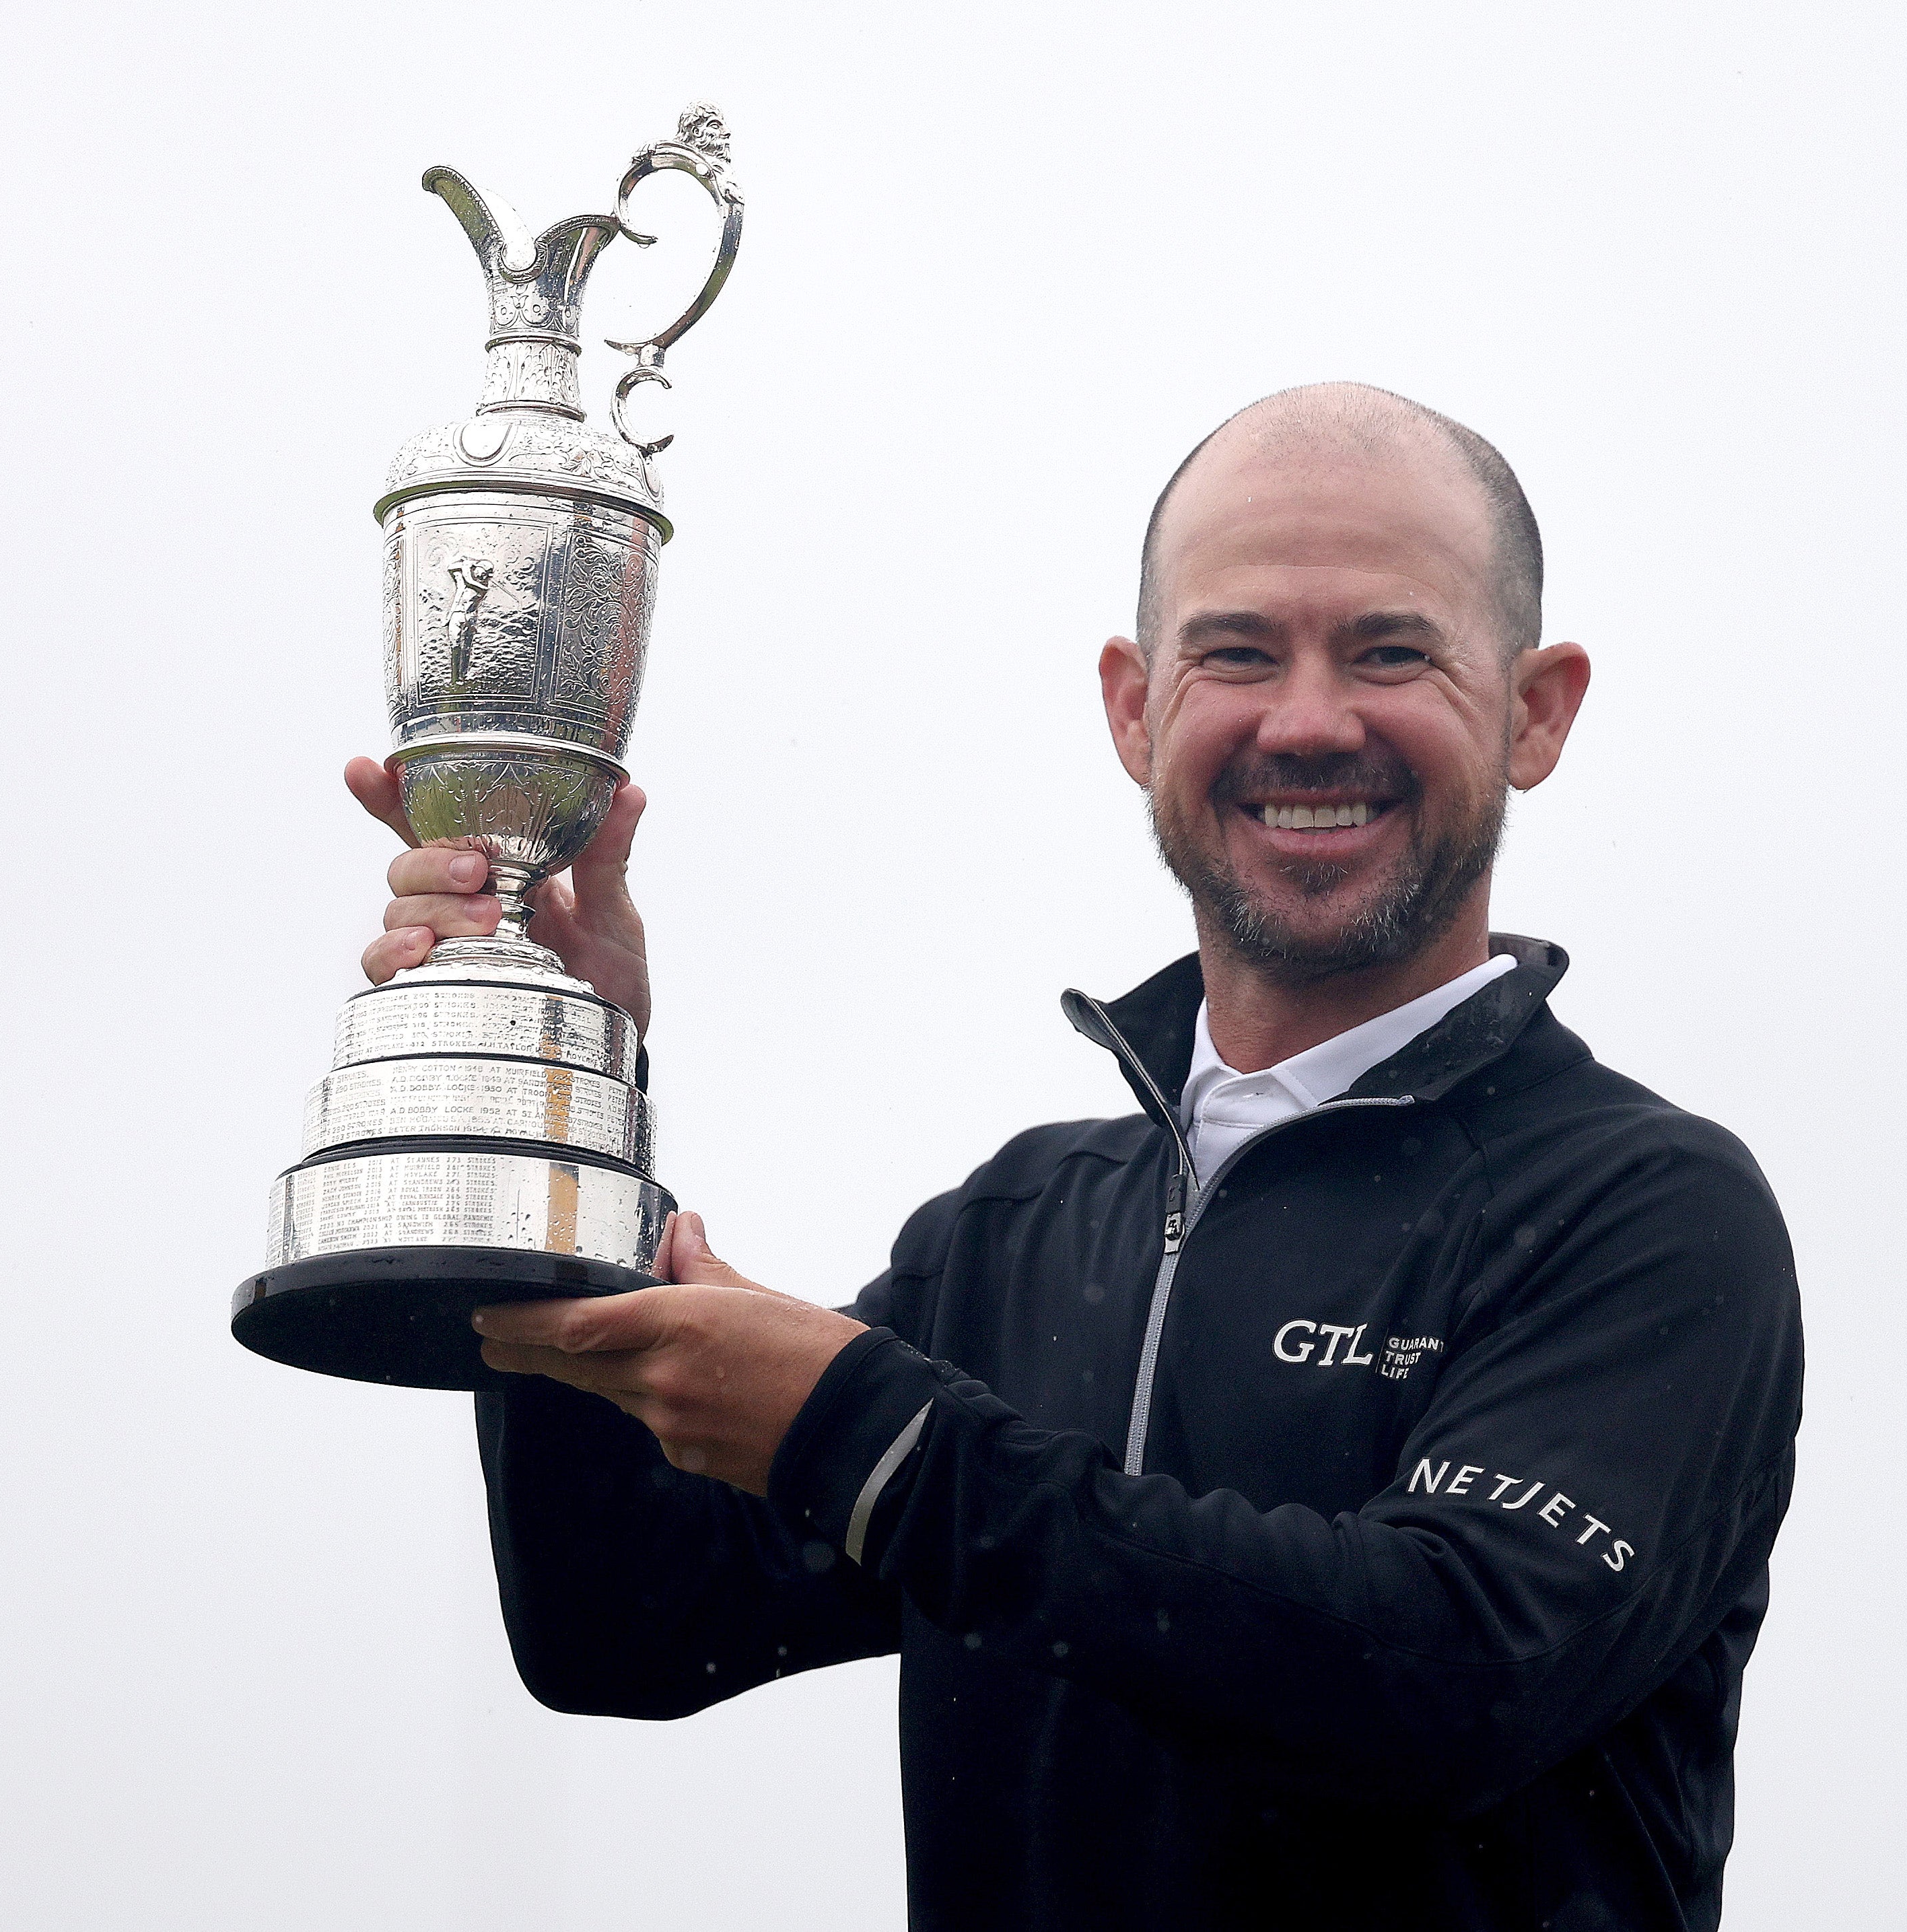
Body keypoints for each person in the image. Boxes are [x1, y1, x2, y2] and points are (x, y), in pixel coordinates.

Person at [343, 382, 1805, 1930]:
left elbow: (1440, 1671)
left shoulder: (1644, 1214)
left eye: (1389, 649)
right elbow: (620, 1625)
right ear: (1134, 707)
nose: (1306, 720)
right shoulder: (1017, 1230)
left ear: (1534, 710)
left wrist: (874, 1437)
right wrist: (564, 1100)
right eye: (1235, 652)